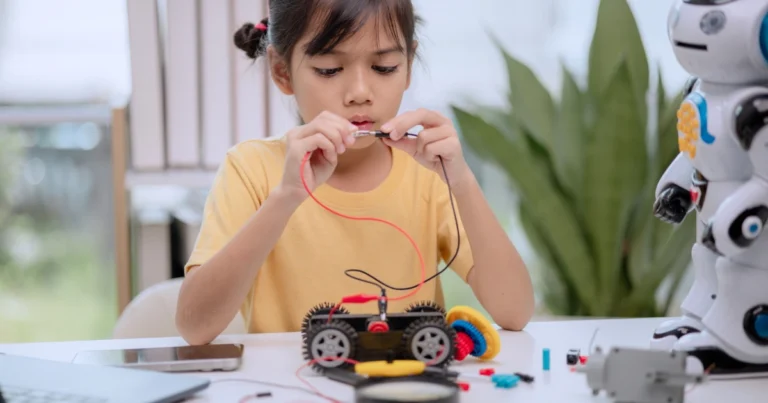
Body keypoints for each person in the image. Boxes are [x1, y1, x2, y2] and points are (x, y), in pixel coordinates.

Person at [176, 0, 534, 346]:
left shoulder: (426, 174)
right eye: (330, 70)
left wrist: (463, 182)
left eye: (385, 68)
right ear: (282, 71)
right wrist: (285, 198)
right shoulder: (251, 170)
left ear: (408, 64)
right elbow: (194, 327)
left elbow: (515, 312)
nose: (360, 93)